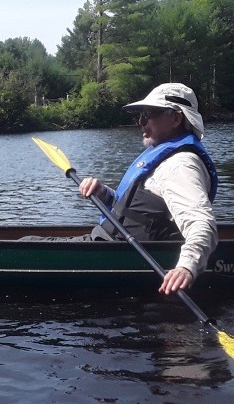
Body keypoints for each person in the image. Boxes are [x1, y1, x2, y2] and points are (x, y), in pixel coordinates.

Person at [80, 83, 218, 296]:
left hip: (118, 253)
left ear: (176, 118)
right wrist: (103, 193)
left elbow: (201, 222)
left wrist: (186, 267)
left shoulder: (180, 165)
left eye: (150, 114)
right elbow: (137, 212)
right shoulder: (165, 159)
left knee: (24, 244)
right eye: (141, 115)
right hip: (107, 244)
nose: (141, 121)